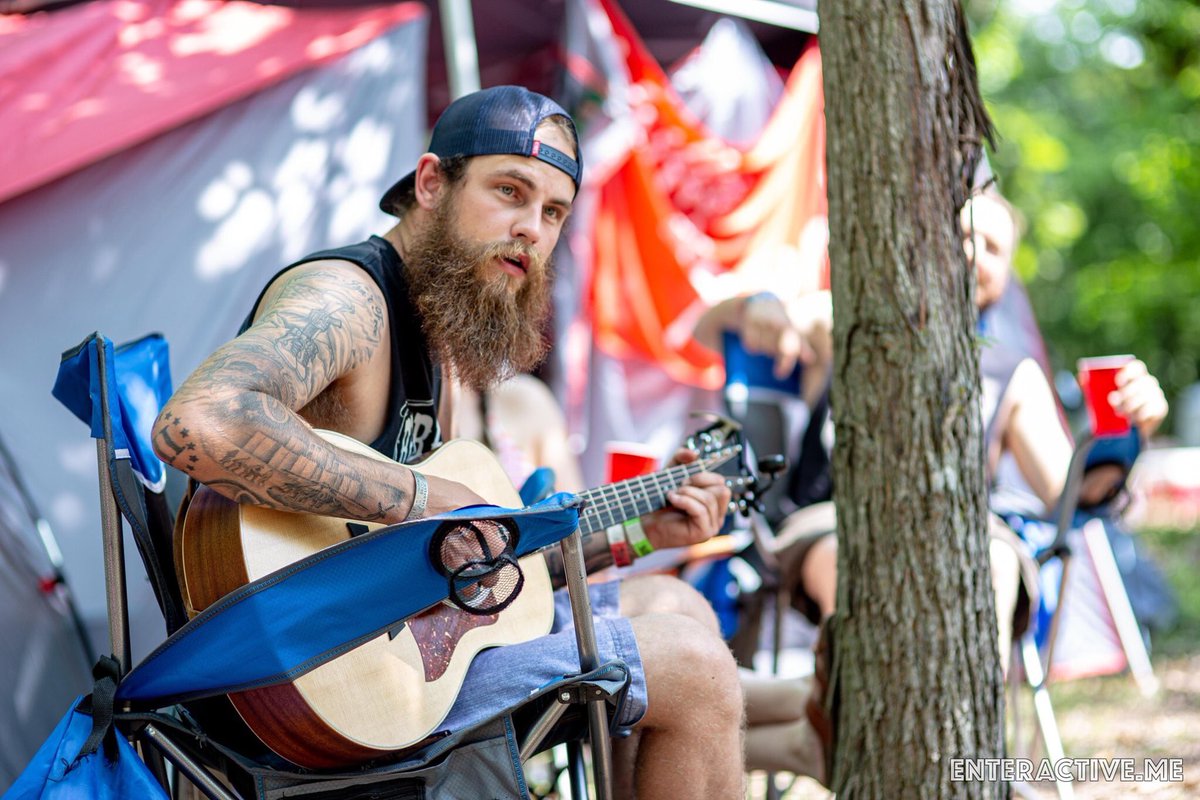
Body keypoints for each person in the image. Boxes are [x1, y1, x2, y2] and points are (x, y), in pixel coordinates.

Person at [153, 86, 742, 798]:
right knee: (694, 666)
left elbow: (480, 584)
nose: (530, 228)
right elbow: (200, 422)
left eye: (553, 212)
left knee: (680, 608)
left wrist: (640, 534)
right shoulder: (350, 300)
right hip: (309, 684)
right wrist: (420, 496)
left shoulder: (439, 331)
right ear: (432, 183)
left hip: (395, 672)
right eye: (509, 191)